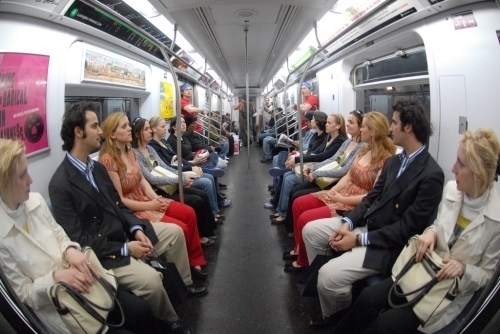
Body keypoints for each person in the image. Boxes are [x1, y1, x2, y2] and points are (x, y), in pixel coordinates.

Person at [48, 102, 202, 334]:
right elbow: (79, 238)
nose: (100, 131)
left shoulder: (96, 169)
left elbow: (118, 206)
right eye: (95, 126)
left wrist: (137, 230)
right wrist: (126, 249)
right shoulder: (60, 184)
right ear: (78, 132)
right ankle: (168, 322)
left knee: (175, 233)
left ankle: (184, 286)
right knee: (150, 282)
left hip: (124, 232)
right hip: (105, 252)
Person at [332, 127, 500, 334]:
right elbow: (438, 224)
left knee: (383, 326)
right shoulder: (452, 190)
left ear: (480, 174)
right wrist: (430, 233)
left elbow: (488, 274)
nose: (453, 168)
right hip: (420, 268)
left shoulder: (496, 220)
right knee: (367, 299)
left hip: (443, 291)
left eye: (462, 164)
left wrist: (464, 269)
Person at [302, 101, 445, 328]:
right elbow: (371, 199)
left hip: (386, 244)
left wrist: (357, 239)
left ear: (408, 128)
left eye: (395, 123)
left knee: (328, 277)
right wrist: (348, 222)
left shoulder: (431, 174)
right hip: (366, 226)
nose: (390, 128)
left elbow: (406, 229)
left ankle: (337, 316)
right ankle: (328, 284)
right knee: (311, 230)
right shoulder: (395, 161)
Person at [0, 139, 158, 334]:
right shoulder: (3, 237)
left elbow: (60, 235)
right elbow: (23, 294)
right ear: (4, 184)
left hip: (85, 279)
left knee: (140, 311)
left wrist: (70, 250)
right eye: (22, 175)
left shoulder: (36, 202)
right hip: (62, 306)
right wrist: (56, 277)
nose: (30, 181)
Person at [98, 112, 208, 276]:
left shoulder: (131, 153)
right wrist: (151, 204)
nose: (129, 129)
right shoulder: (108, 160)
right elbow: (120, 200)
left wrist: (155, 198)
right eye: (124, 126)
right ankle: (184, 272)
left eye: (128, 125)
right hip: (135, 208)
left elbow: (142, 181)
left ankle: (195, 261)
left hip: (147, 198)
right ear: (112, 134)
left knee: (189, 213)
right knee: (181, 227)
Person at [285, 111, 396, 272]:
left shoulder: (385, 160)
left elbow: (373, 196)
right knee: (298, 203)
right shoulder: (364, 151)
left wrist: (340, 199)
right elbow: (349, 174)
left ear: (372, 131)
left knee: (305, 218)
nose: (361, 129)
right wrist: (333, 192)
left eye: (363, 126)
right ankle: (298, 248)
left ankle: (304, 261)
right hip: (342, 192)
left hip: (353, 202)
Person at [130, 117, 219, 251]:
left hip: (169, 184)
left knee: (200, 195)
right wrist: (180, 180)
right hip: (158, 190)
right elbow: (151, 178)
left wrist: (182, 176)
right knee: (195, 200)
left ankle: (207, 231)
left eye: (149, 128)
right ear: (137, 134)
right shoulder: (135, 153)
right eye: (146, 129)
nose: (150, 132)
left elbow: (165, 167)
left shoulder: (150, 149)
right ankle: (201, 236)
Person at [281, 110, 365, 235]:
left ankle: (293, 230)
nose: (347, 124)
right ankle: (292, 228)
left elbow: (344, 170)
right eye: (347, 121)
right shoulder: (347, 142)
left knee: (297, 195)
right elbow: (332, 160)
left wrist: (316, 173)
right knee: (295, 191)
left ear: (361, 127)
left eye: (351, 122)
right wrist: (313, 169)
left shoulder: (361, 146)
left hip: (334, 181)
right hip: (326, 176)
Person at [268, 112, 346, 223]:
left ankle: (284, 214)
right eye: (327, 122)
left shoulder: (339, 142)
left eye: (329, 123)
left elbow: (324, 157)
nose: (326, 125)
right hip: (315, 168)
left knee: (289, 179)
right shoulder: (328, 137)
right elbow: (316, 153)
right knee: (286, 175)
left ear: (338, 126)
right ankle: (280, 210)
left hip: (322, 173)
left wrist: (299, 160)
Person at [148, 116, 231, 208]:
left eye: (184, 122)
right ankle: (214, 210)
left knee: (212, 167)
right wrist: (192, 165)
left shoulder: (165, 142)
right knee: (207, 181)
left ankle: (217, 202)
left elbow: (179, 157)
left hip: (186, 164)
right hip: (178, 171)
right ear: (154, 129)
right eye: (163, 127)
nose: (165, 129)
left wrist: (194, 160)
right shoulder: (162, 144)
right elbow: (169, 166)